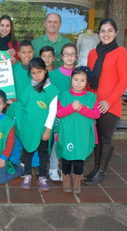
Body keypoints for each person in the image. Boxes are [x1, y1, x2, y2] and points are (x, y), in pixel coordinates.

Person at [84, 18, 127, 185]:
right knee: (95, 138)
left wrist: (108, 101)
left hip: (110, 105)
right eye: (103, 30)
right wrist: (88, 102)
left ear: (116, 33)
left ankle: (101, 172)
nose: (106, 34)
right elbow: (89, 81)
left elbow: (124, 81)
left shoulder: (120, 52)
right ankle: (96, 168)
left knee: (105, 138)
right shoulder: (92, 54)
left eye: (110, 30)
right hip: (94, 104)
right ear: (98, 34)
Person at [7, 57, 58, 191]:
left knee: (42, 154)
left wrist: (47, 130)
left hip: (42, 131)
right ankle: (27, 175)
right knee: (28, 152)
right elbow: (23, 106)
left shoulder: (52, 90)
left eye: (39, 72)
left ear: (45, 71)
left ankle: (42, 176)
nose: (37, 75)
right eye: (34, 73)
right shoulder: (30, 87)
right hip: (29, 130)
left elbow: (52, 113)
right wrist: (12, 105)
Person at [56, 66, 100, 194]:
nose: (78, 83)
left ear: (87, 82)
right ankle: (66, 179)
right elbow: (59, 113)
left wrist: (81, 109)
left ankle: (77, 180)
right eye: (76, 79)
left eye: (82, 80)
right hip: (67, 133)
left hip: (83, 134)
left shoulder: (91, 97)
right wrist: (71, 107)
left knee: (79, 158)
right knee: (66, 158)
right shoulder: (63, 96)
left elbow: (96, 114)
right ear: (71, 80)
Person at [7, 40, 39, 172]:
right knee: (16, 135)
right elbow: (7, 86)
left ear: (34, 52)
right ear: (18, 53)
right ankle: (15, 161)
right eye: (23, 52)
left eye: (29, 52)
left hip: (33, 109)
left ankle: (35, 163)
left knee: (34, 134)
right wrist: (10, 96)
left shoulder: (37, 70)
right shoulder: (13, 69)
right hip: (17, 108)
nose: (27, 55)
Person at [48, 43, 78, 181]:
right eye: (66, 54)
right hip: (58, 114)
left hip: (74, 114)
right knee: (57, 141)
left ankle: (66, 169)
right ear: (61, 57)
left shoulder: (79, 74)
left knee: (69, 141)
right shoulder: (53, 75)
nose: (69, 57)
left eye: (72, 54)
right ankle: (53, 168)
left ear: (76, 56)